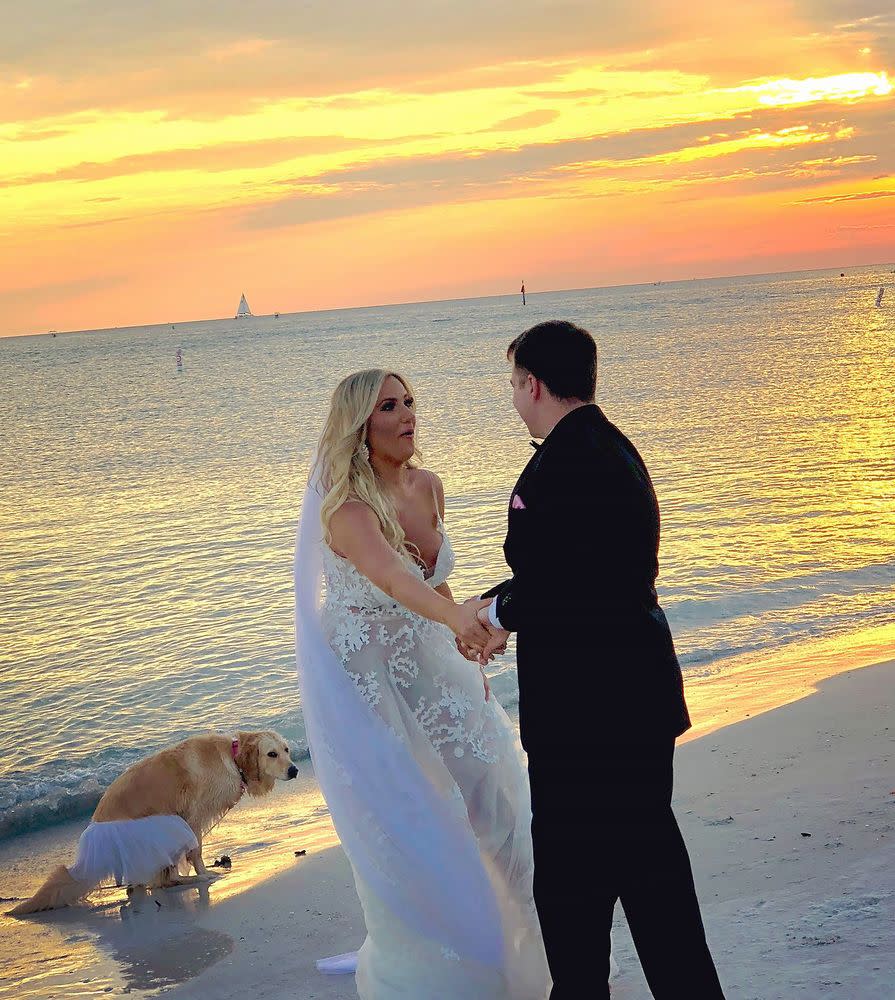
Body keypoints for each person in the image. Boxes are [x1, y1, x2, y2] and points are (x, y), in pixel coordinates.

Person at [473, 320, 725, 999]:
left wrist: (497, 615)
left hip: (590, 716)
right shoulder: (607, 446)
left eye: (512, 384)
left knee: (576, 885)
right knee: (645, 880)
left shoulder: (567, 459)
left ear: (532, 383)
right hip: (627, 698)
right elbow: (577, 565)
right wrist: (497, 602)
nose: (512, 397)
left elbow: (566, 579)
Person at [293, 369, 550, 999]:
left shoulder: (430, 486)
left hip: (436, 656)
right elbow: (391, 578)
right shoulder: (345, 509)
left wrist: (470, 640)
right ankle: (443, 967)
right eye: (389, 406)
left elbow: (432, 583)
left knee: (497, 788)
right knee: (413, 814)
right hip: (370, 676)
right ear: (361, 424)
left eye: (410, 402)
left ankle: (534, 945)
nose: (407, 414)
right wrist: (460, 619)